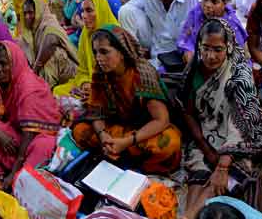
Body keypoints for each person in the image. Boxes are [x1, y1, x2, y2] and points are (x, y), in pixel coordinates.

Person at [178, 19, 262, 219]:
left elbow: (242, 123)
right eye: (205, 48)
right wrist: (203, 144)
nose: (210, 56)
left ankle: (192, 217)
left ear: (228, 47)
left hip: (239, 135)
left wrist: (222, 165)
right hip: (206, 133)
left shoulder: (239, 75)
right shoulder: (194, 71)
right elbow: (188, 112)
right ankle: (191, 217)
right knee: (198, 166)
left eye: (217, 49)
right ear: (199, 46)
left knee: (228, 175)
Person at [72, 25, 182, 174]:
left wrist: (125, 142)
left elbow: (161, 120)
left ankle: (125, 156)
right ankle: (115, 150)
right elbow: (96, 111)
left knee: (169, 144)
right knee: (80, 131)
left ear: (121, 52)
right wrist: (103, 135)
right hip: (119, 128)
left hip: (145, 132)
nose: (98, 58)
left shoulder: (142, 74)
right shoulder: (101, 72)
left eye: (104, 52)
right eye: (96, 52)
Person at [0, 41, 61, 188]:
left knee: (43, 145)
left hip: (33, 140)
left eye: (3, 64)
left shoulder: (28, 87)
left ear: (14, 63)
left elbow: (29, 134)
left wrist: (13, 174)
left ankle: (17, 180)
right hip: (14, 138)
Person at [119, 0, 204, 69]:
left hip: (182, 49)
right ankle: (133, 56)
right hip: (155, 43)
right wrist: (135, 46)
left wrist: (190, 49)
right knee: (124, 11)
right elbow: (128, 11)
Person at [53, 0, 118, 98]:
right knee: (58, 91)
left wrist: (95, 87)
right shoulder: (86, 33)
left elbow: (118, 74)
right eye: (82, 11)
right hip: (90, 83)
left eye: (89, 10)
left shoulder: (115, 34)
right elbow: (82, 69)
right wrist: (85, 83)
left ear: (101, 11)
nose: (83, 15)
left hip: (110, 87)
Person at [178, 0, 248, 65]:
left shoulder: (231, 24)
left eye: (214, 2)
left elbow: (238, 55)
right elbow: (185, 38)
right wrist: (188, 51)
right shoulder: (196, 13)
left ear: (224, 3)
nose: (207, 5)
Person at [18, 0, 79, 87]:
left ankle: (45, 88)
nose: (27, 17)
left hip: (67, 73)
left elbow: (51, 40)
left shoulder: (49, 23)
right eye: (25, 13)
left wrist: (35, 68)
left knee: (53, 53)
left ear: (38, 11)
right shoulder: (28, 32)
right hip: (39, 71)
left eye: (30, 12)